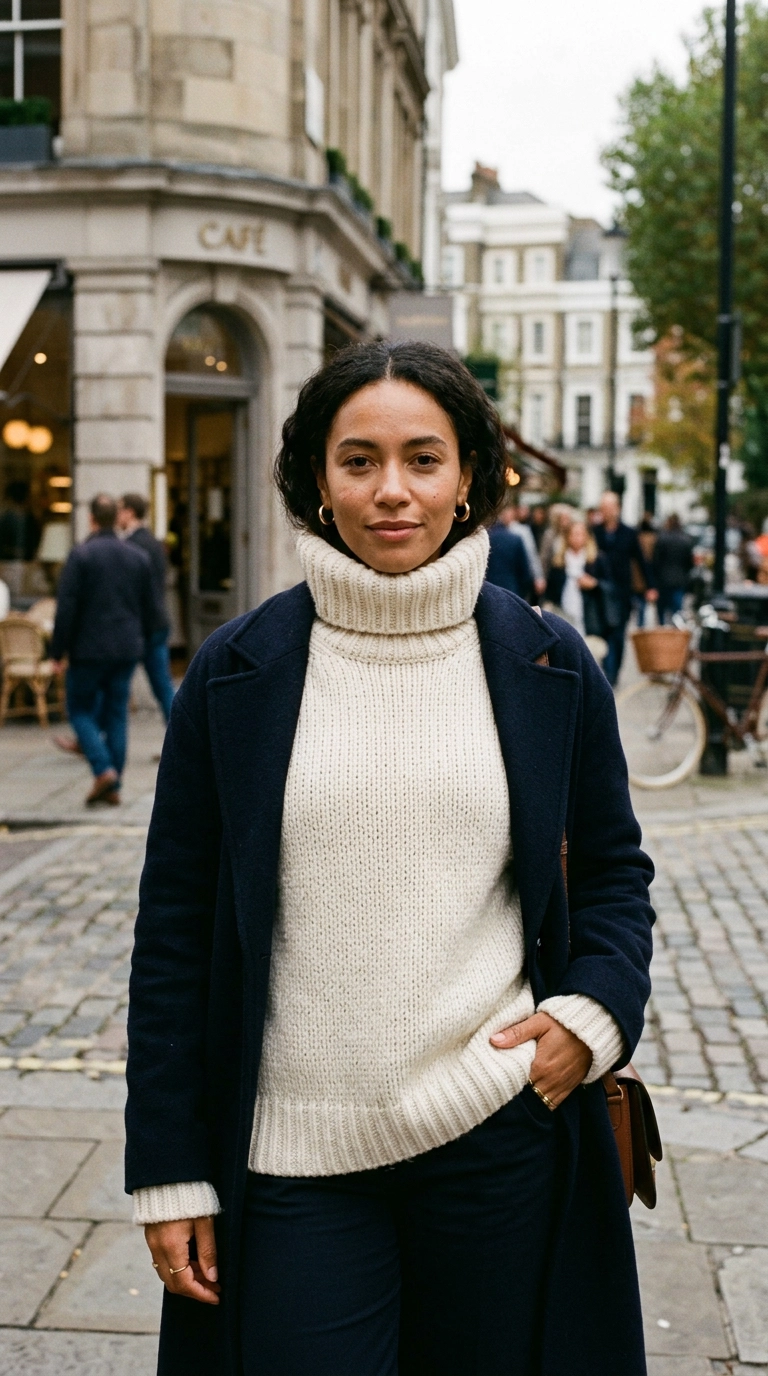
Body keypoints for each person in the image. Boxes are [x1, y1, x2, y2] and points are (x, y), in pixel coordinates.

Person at [126, 342, 654, 1376]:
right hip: (292, 1158)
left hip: (497, 1133)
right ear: (317, 481)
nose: (392, 491)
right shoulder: (236, 671)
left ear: (468, 479)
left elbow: (611, 874)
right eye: (358, 460)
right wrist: (171, 1169)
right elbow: (175, 934)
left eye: (424, 458)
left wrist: (590, 1016)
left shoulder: (550, 661)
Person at [50, 494, 159, 806]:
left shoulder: (81, 555)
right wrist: (144, 641)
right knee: (116, 715)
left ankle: (103, 770)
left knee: (79, 710)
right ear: (115, 518)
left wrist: (57, 653)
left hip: (88, 650)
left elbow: (66, 608)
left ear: (92, 519)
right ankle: (113, 786)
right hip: (126, 648)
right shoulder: (137, 557)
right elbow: (150, 608)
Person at [117, 494, 176, 722]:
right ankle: (180, 744)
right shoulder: (153, 542)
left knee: (116, 688)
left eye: (121, 510)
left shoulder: (132, 545)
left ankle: (93, 739)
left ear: (130, 512)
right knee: (162, 686)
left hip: (140, 626)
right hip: (155, 623)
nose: (117, 516)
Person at [594, 490, 656, 687]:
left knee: (618, 635)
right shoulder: (594, 531)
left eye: (610, 507)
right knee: (602, 633)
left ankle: (613, 673)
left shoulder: (628, 533)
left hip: (622, 593)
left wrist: (650, 586)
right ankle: (604, 670)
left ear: (617, 509)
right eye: (603, 508)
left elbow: (641, 561)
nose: (606, 511)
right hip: (600, 592)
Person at [547, 518, 612, 646]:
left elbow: (611, 586)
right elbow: (551, 591)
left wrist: (594, 584)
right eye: (574, 534)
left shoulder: (596, 560)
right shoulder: (559, 562)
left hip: (589, 618)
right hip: (564, 614)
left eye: (581, 534)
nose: (577, 538)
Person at [486, 500, 535, 597]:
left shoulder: (487, 536)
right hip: (510, 590)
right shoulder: (515, 539)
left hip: (488, 588)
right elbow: (524, 570)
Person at [653, 513, 693, 623]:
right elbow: (689, 562)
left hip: (663, 580)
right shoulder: (685, 540)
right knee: (677, 612)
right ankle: (675, 635)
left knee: (661, 611)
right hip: (679, 580)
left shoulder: (662, 538)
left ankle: (662, 632)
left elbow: (656, 561)